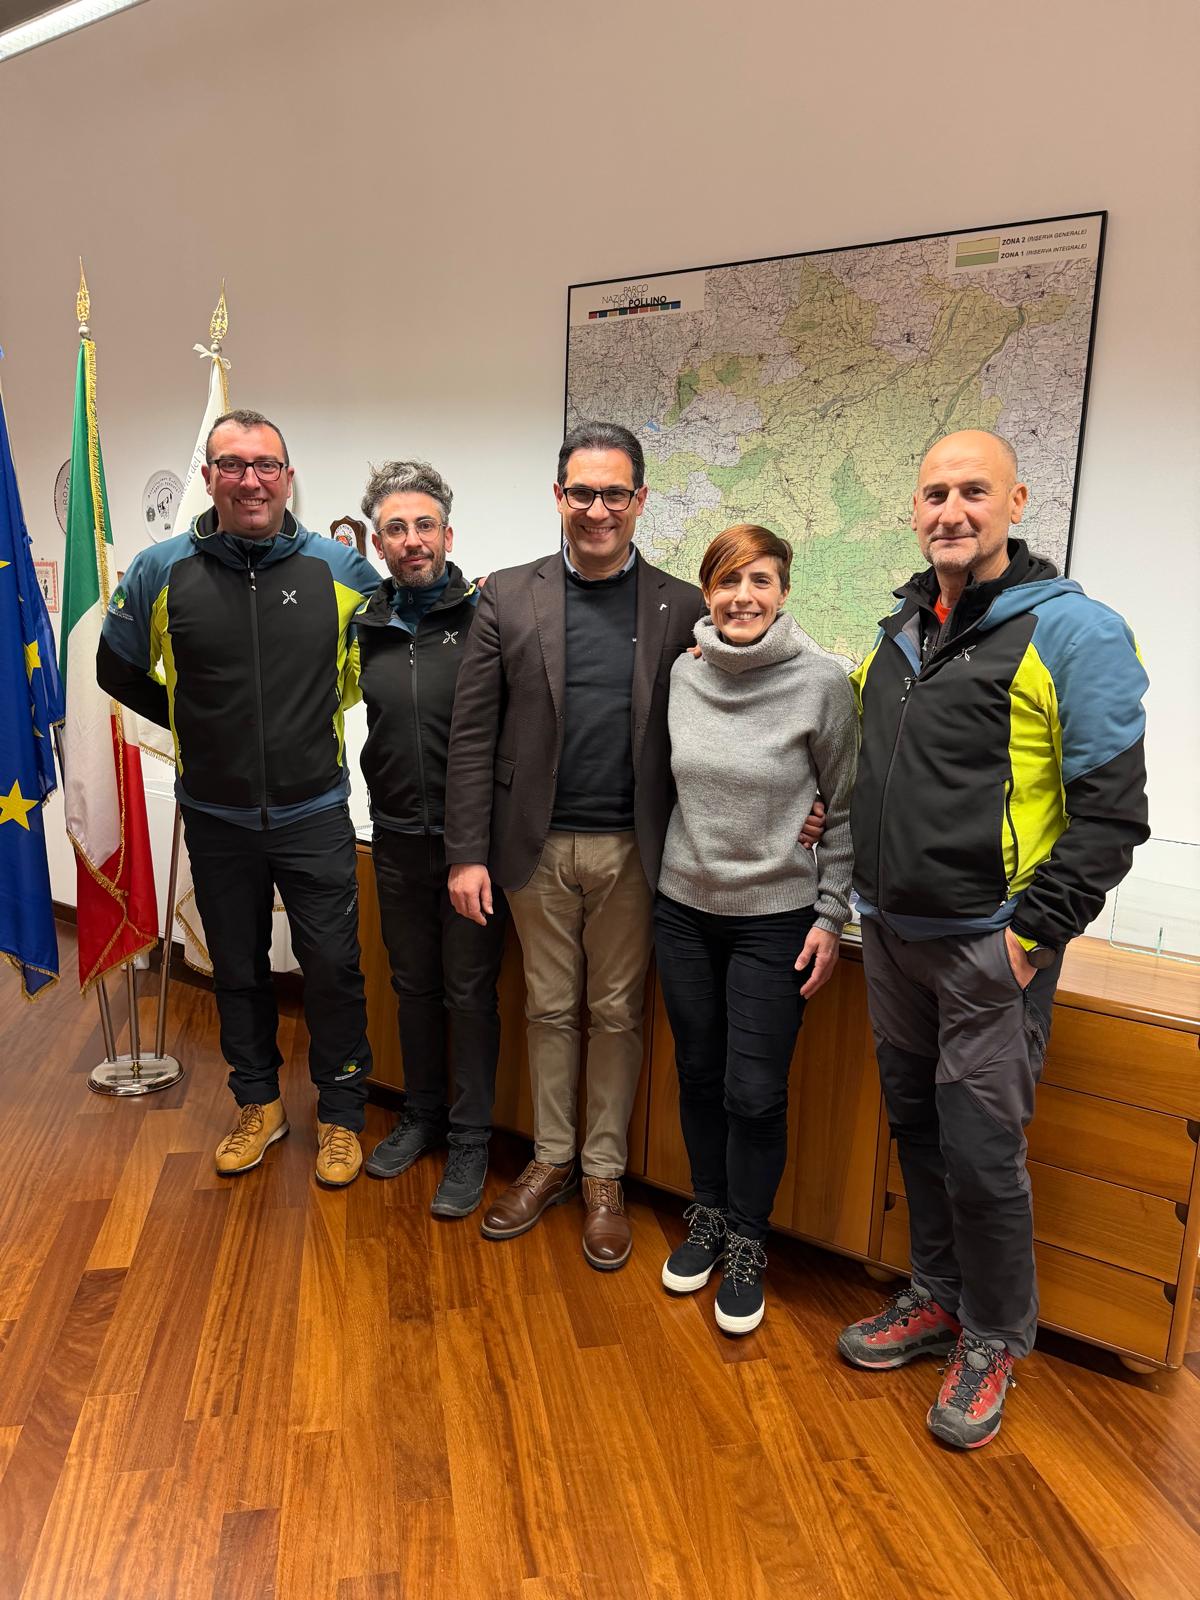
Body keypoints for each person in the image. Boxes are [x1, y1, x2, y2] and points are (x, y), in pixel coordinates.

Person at [837, 429, 1149, 1448]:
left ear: (1015, 503)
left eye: (973, 490)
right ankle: (936, 1296)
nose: (951, 510)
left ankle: (996, 1335)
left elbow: (1113, 815)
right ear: (914, 511)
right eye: (934, 493)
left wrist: (1029, 939)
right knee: (919, 1132)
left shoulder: (1073, 632)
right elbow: (881, 768)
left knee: (981, 1153)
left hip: (988, 947)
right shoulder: (898, 631)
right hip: (892, 935)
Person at [443, 421, 706, 1269]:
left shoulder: (682, 605)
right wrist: (466, 853)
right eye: (582, 492)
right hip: (534, 850)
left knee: (618, 1013)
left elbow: (738, 712)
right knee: (549, 1009)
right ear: (559, 496)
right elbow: (472, 733)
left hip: (636, 850)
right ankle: (552, 1160)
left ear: (640, 500)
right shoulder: (506, 595)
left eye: (614, 493)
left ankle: (603, 1177)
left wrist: (807, 802)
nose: (598, 510)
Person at [97, 409, 379, 1186]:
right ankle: (258, 1104)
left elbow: (379, 668)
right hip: (216, 816)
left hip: (314, 811)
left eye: (265, 465)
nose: (250, 480)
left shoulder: (342, 571)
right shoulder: (159, 570)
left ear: (287, 477)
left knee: (333, 967)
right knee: (237, 969)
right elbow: (116, 669)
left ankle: (341, 1114)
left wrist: (306, 718)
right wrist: (195, 722)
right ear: (210, 476)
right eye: (232, 465)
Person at [654, 524, 857, 1334]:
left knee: (754, 1092)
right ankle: (707, 1213)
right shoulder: (684, 670)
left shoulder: (822, 683)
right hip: (682, 909)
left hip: (776, 920)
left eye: (761, 581)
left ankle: (747, 1240)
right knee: (699, 1074)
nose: (743, 597)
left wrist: (831, 914)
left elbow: (843, 807)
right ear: (707, 593)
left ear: (784, 591)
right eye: (728, 581)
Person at [351, 460, 507, 1218]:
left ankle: (472, 1139)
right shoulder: (365, 625)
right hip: (395, 836)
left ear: (449, 534)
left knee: (469, 992)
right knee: (412, 985)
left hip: (471, 847)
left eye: (424, 525)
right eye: (395, 528)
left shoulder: (488, 618)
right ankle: (422, 1115)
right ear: (378, 543)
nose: (412, 540)